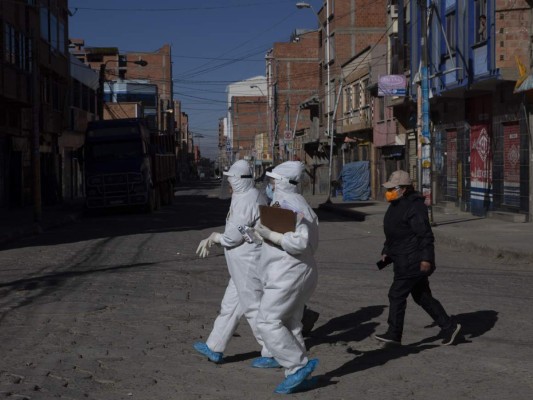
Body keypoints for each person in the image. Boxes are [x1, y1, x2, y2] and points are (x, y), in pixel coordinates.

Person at [194, 160, 276, 368]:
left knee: (253, 307)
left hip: (247, 261)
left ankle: (273, 351)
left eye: (231, 178)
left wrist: (215, 238)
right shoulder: (249, 195)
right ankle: (214, 346)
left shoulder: (246, 200)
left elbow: (232, 236)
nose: (228, 183)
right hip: (242, 262)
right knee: (231, 305)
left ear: (239, 180)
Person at [374, 170, 461, 346]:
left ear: (404, 189)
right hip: (402, 257)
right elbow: (395, 233)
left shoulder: (414, 206)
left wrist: (426, 259)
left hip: (412, 259)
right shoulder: (396, 204)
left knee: (396, 294)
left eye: (393, 188)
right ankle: (450, 327)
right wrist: (386, 251)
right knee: (422, 296)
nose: (389, 191)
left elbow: (425, 235)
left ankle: (394, 333)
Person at [254, 161, 319, 394]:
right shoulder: (289, 202)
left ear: (282, 182)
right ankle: (298, 375)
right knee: (290, 323)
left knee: (268, 321)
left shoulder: (291, 204)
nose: (269, 184)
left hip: (290, 271)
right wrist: (264, 235)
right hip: (290, 270)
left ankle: (297, 366)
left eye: (272, 181)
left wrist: (271, 234)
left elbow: (300, 242)